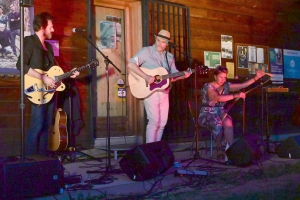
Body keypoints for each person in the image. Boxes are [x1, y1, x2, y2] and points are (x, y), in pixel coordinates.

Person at [16, 12, 79, 157]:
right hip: (35, 91)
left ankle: (44, 161)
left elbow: (54, 72)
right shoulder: (30, 41)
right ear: (42, 27)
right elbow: (21, 65)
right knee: (36, 126)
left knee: (47, 127)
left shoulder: (49, 48)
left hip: (49, 93)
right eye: (50, 27)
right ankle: (29, 162)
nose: (53, 30)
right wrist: (42, 78)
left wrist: (70, 74)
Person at [127, 29, 191, 143]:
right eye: (157, 40)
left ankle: (155, 149)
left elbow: (172, 76)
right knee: (154, 121)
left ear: (167, 44)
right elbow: (131, 64)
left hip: (164, 92)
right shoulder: (146, 51)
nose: (158, 43)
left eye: (162, 42)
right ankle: (149, 151)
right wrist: (146, 77)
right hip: (150, 91)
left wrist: (183, 76)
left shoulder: (170, 57)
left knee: (162, 123)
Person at [198, 65, 265, 160]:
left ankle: (230, 150)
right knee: (218, 124)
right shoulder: (208, 86)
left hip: (220, 111)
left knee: (228, 121)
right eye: (221, 77)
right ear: (215, 76)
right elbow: (217, 98)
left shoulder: (226, 86)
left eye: (225, 77)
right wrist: (235, 95)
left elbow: (242, 85)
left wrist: (256, 78)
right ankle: (219, 149)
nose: (223, 80)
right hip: (207, 113)